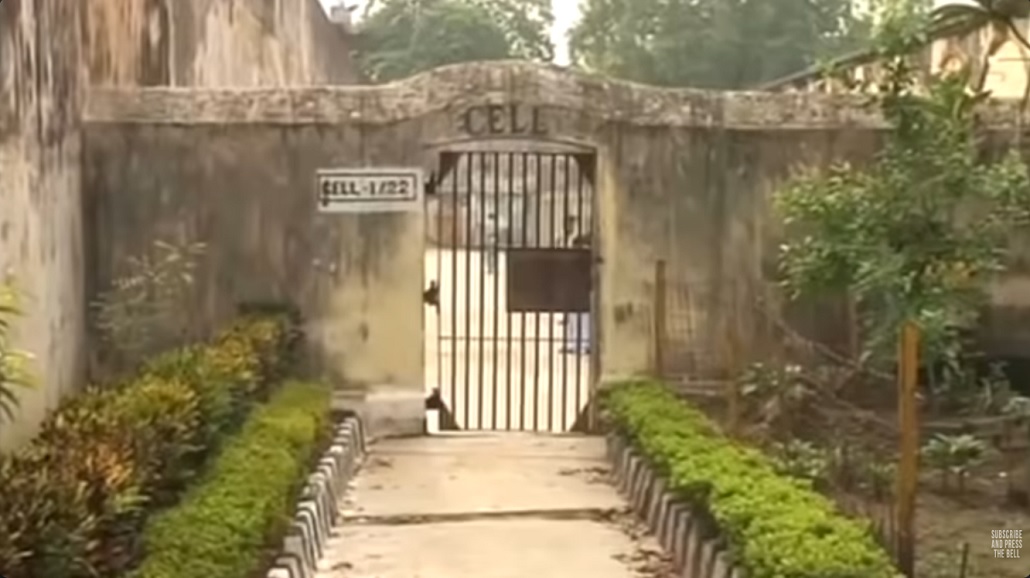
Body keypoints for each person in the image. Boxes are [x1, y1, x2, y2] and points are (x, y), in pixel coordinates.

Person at [561, 232, 591, 355]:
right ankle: (577, 344)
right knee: (577, 319)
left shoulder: (581, 258)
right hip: (578, 292)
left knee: (580, 319)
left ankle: (580, 344)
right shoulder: (582, 258)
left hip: (579, 293)